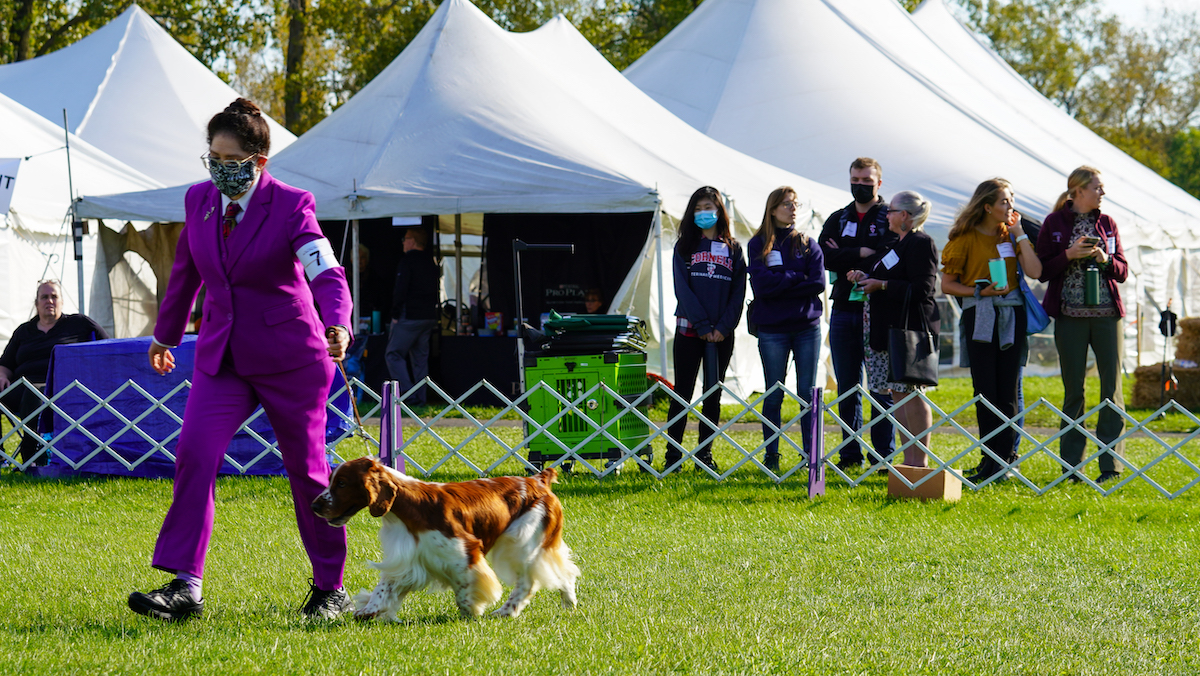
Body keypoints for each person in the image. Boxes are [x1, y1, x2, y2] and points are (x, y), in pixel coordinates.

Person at [128, 98, 354, 622]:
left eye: (228, 158)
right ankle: (185, 586)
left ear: (258, 161)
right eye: (211, 156)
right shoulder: (199, 201)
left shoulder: (294, 204)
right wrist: (165, 336)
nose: (217, 167)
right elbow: (186, 271)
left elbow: (326, 272)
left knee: (308, 472)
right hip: (222, 357)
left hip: (291, 357)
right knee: (195, 455)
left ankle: (329, 587)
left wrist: (337, 320)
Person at [940, 178, 1041, 484]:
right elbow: (948, 284)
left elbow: (1035, 272)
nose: (1011, 207)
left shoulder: (1012, 234)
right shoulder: (964, 238)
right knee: (985, 390)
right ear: (987, 206)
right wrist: (980, 293)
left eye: (1011, 201)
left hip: (1012, 315)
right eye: (1004, 202)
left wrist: (1020, 231)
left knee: (1009, 388)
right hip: (980, 315)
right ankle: (989, 457)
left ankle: (1007, 460)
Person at [1037, 166, 1127, 484]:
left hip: (1107, 317)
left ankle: (1110, 467)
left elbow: (1123, 270)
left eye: (1102, 188)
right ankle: (1072, 467)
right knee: (1073, 390)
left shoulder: (1108, 223)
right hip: (1069, 317)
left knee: (1111, 390)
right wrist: (1069, 254)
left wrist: (1105, 259)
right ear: (1077, 191)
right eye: (1097, 188)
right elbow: (1042, 270)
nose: (1102, 193)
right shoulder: (1054, 223)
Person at [847, 191, 939, 467]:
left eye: (891, 210)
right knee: (898, 396)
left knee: (911, 394)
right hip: (884, 332)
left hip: (906, 333)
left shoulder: (921, 243)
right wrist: (865, 277)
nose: (886, 214)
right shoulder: (894, 244)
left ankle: (918, 463)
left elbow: (924, 288)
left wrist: (882, 285)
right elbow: (884, 273)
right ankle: (908, 460)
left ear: (905, 216)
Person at [819, 158, 897, 469]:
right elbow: (824, 255)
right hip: (843, 309)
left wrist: (850, 255)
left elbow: (891, 255)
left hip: (878, 309)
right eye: (855, 179)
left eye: (867, 180)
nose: (860, 185)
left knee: (880, 385)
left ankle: (882, 456)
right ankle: (849, 455)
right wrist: (860, 253)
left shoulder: (891, 216)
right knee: (847, 385)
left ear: (879, 183)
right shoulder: (839, 218)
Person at [666, 186, 746, 473]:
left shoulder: (734, 249)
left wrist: (723, 327)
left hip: (721, 335)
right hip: (689, 330)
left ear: (720, 211)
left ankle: (705, 454)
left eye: (709, 208)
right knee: (682, 393)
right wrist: (701, 325)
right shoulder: (684, 247)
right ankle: (672, 455)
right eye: (698, 208)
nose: (704, 214)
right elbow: (682, 290)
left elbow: (739, 293)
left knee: (713, 393)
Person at [747, 187, 824, 472]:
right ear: (772, 209)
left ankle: (810, 456)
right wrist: (795, 277)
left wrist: (780, 281)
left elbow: (817, 284)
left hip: (807, 327)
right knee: (774, 392)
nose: (792, 209)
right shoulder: (758, 244)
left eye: (795, 204)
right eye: (786, 204)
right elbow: (761, 287)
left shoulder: (808, 243)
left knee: (807, 392)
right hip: (772, 329)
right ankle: (772, 456)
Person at [0, 280, 109, 469]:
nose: (49, 301)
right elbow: (5, 364)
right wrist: (2, 376)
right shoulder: (23, 331)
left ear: (62, 302)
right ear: (36, 303)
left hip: (64, 389)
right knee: (28, 391)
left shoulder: (79, 323)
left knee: (33, 392)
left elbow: (108, 348)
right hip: (23, 387)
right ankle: (1, 457)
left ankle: (31, 454)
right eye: (44, 297)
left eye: (54, 296)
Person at [386, 227, 440, 406]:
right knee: (420, 358)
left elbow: (400, 289)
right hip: (428, 317)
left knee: (393, 354)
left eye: (406, 238)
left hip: (409, 316)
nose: (403, 242)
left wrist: (395, 313)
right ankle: (420, 397)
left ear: (413, 241)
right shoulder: (431, 262)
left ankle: (409, 396)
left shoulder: (407, 261)